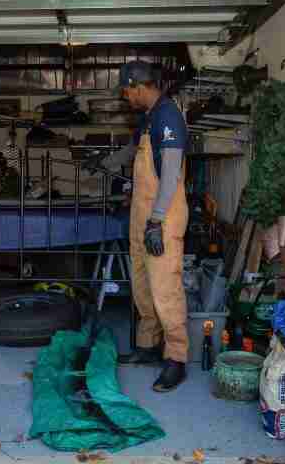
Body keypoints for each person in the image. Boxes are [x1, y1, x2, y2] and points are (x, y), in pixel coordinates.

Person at [82, 61, 189, 392]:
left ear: (139, 85)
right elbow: (132, 151)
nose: (126, 97)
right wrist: (103, 162)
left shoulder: (169, 115)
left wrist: (156, 220)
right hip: (141, 214)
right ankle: (147, 347)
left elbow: (170, 173)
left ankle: (176, 359)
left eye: (126, 90)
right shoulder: (149, 117)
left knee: (164, 288)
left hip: (162, 215)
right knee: (141, 283)